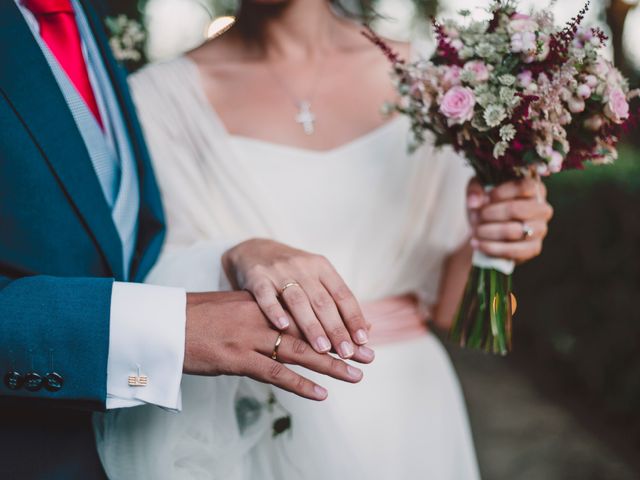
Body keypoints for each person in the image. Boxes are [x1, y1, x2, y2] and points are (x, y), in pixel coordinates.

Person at [95, 0, 554, 478]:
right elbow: (145, 293)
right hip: (259, 419)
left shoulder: (434, 77)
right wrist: (236, 255)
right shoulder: (156, 99)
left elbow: (457, 318)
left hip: (411, 414)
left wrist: (499, 242)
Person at [0, 1, 371, 478]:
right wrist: (167, 327)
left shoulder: (85, 17)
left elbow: (127, 237)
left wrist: (237, 252)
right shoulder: (166, 85)